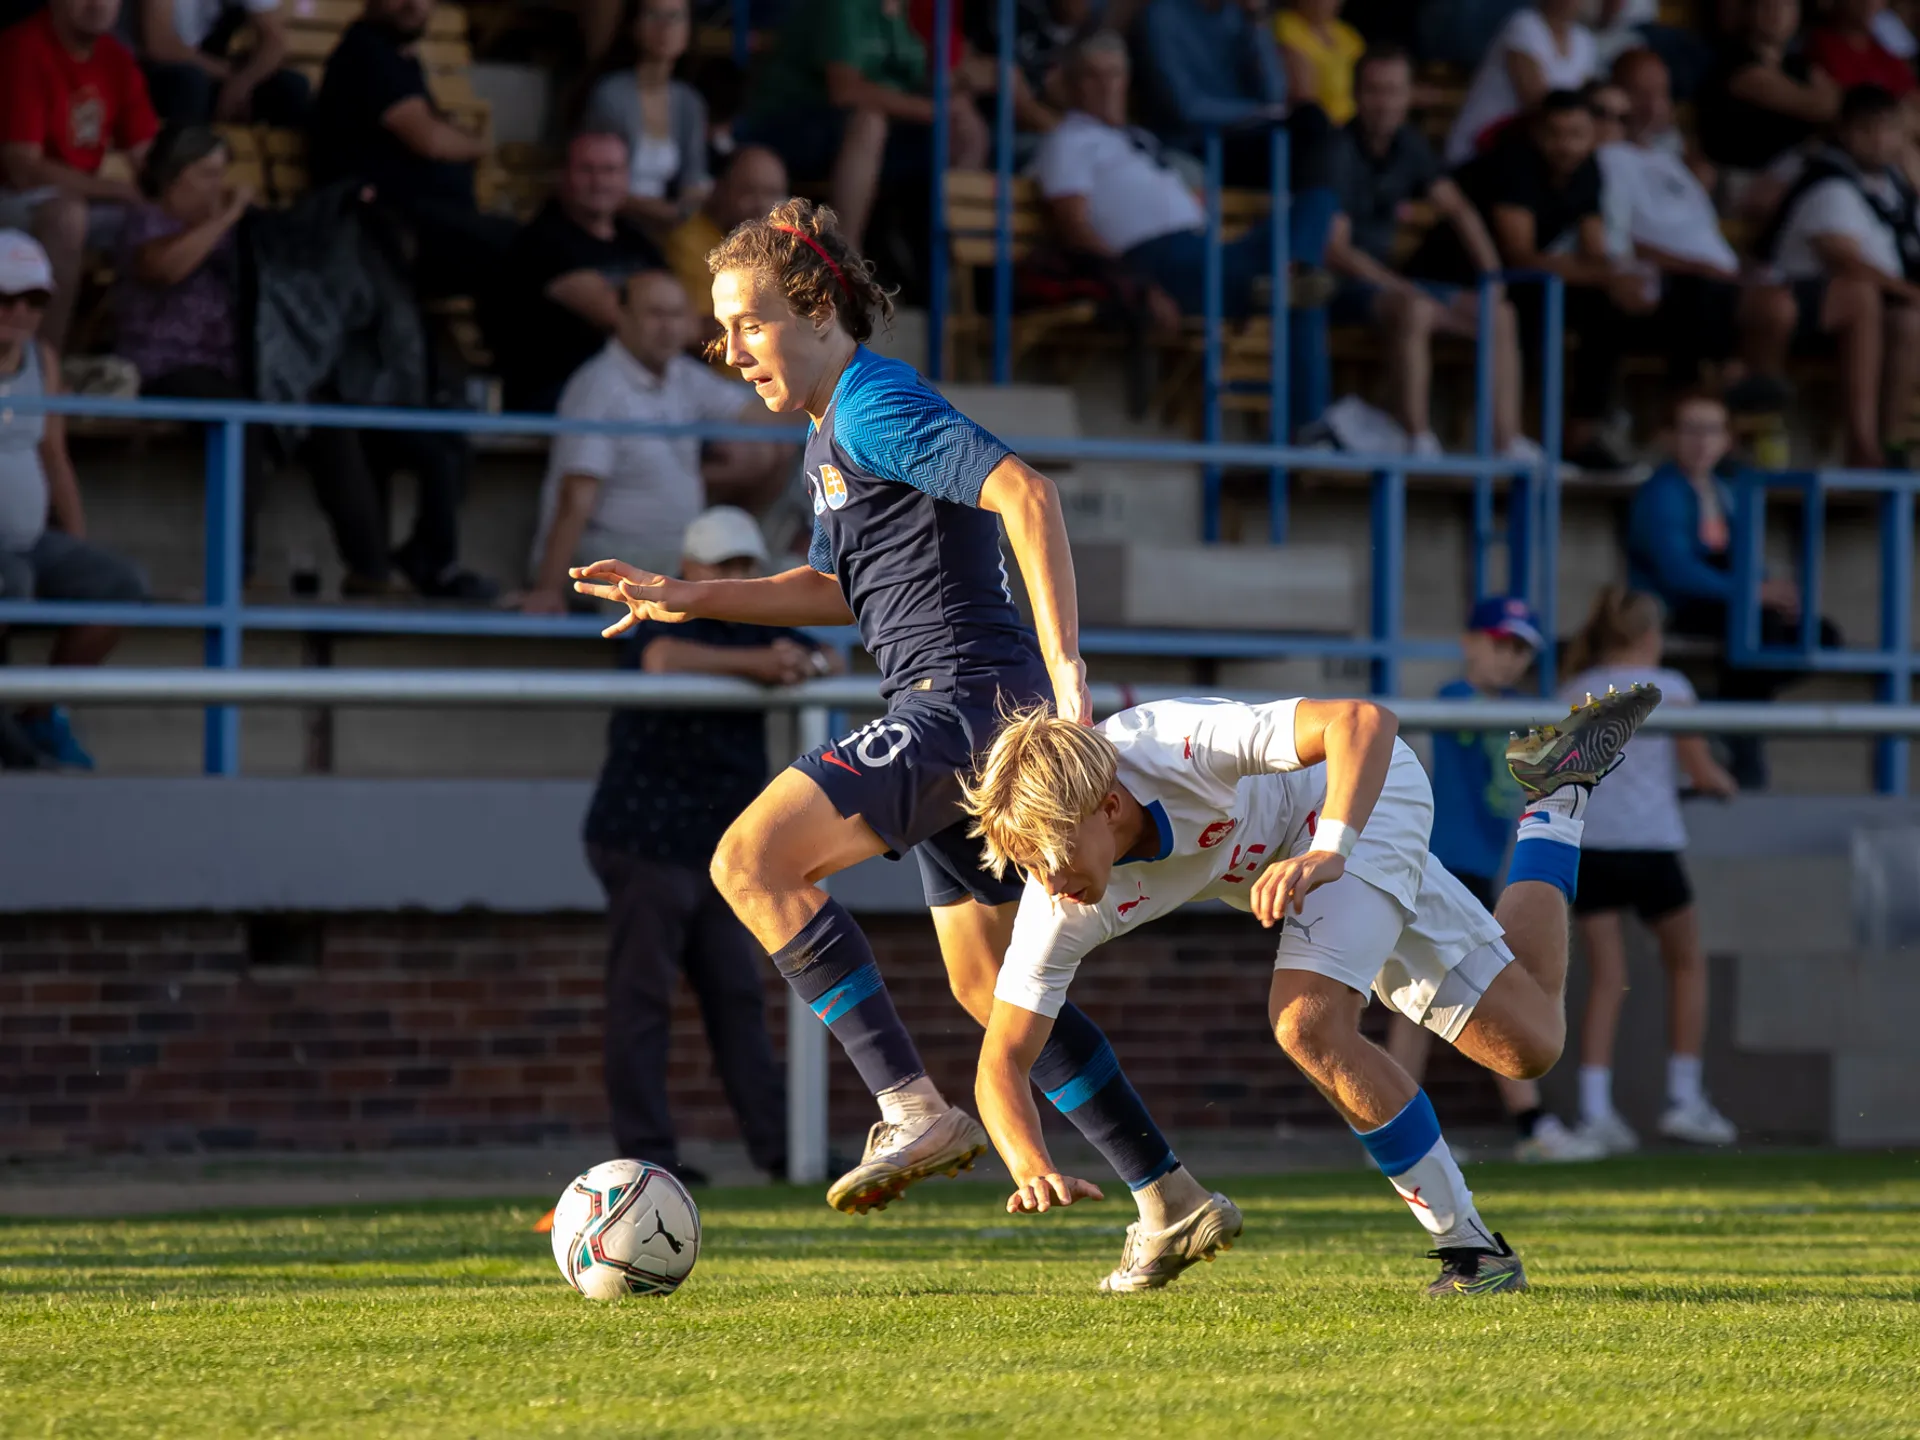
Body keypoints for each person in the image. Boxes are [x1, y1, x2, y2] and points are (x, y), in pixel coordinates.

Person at [575, 198, 1191, 1242]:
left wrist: (1068, 674)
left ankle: (912, 1109)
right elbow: (835, 588)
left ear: (818, 311)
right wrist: (687, 594)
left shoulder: (873, 407)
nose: (731, 351)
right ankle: (1171, 1197)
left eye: (750, 323)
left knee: (749, 863)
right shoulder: (834, 430)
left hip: (962, 705)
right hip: (955, 707)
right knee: (989, 983)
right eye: (723, 330)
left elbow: (1028, 496)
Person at [960, 686, 1662, 1294]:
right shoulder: (1058, 903)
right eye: (1026, 865)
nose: (1047, 883)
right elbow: (1002, 1060)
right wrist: (1030, 1164)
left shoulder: (1174, 744)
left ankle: (1474, 1254)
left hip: (1358, 803)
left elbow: (1362, 721)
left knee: (1305, 1023)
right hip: (1309, 859)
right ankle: (1556, 798)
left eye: (1052, 856)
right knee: (1530, 1044)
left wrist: (1330, 847)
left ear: (1111, 806)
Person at [583, 507, 844, 1187]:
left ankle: (783, 1151)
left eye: (744, 564)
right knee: (643, 1000)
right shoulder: (664, 612)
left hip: (721, 849)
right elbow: (660, 659)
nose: (736, 574)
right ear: (688, 568)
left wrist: (803, 660)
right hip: (645, 838)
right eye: (723, 564)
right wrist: (764, 665)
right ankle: (645, 1158)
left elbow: (830, 653)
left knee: (736, 996)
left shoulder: (752, 620)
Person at [1386, 596, 1603, 1164]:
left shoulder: (1514, 712)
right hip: (1444, 865)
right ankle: (1532, 1126)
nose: (1510, 659)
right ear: (1470, 642)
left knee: (1425, 1001)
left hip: (1476, 869)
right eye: (1500, 644)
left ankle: (1403, 1129)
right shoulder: (1456, 700)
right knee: (1479, 993)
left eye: (1521, 651)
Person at [1032, 32, 1335, 422]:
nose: (1107, 85)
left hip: (1204, 251)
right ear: (1074, 84)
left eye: (1115, 74)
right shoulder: (1069, 140)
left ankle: (1290, 272)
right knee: (1305, 292)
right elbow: (1073, 228)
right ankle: (1309, 426)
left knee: (1317, 204)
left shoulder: (1138, 140)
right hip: (1159, 263)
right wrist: (1139, 285)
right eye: (1094, 75)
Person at [1558, 588, 1740, 1153]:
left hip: (1592, 847)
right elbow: (1701, 770)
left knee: (1607, 978)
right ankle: (1684, 1099)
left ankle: (1595, 1110)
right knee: (1686, 964)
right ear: (1649, 636)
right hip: (1652, 846)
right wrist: (1724, 785)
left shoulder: (1574, 690)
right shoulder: (1671, 687)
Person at [524, 269, 792, 612]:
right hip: (607, 555)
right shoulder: (599, 387)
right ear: (622, 317)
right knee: (740, 583)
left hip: (673, 553)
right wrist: (547, 589)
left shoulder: (683, 374)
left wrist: (830, 401)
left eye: (676, 314)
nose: (667, 327)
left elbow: (764, 414)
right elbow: (575, 498)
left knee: (776, 575)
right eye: (655, 314)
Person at [1412, 90, 1639, 471]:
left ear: (1591, 136)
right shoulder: (1514, 164)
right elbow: (1520, 255)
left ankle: (1581, 436)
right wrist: (1605, 274)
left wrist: (1618, 278)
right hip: (1457, 278)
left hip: (1522, 284)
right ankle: (1510, 442)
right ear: (1537, 133)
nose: (1565, 144)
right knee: (1532, 314)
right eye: (1556, 133)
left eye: (1577, 134)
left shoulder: (1588, 171)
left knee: (1606, 310)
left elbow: (1594, 251)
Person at [1626, 391, 1840, 788]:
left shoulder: (1725, 490)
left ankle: (1726, 711)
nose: (1701, 441)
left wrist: (1774, 592)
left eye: (1712, 430)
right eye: (1691, 430)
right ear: (1670, 437)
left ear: (1727, 439)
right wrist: (1751, 595)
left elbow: (1747, 557)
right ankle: (1742, 739)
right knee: (1759, 624)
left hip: (1729, 604)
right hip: (1679, 606)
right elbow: (1678, 572)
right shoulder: (1661, 493)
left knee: (1821, 634)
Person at [1324, 45, 1529, 458]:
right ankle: (1416, 437)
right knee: (1415, 307)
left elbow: (1458, 209)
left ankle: (1507, 442)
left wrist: (1492, 275)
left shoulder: (1410, 145)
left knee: (1499, 314)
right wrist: (1398, 285)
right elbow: (1335, 250)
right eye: (1375, 90)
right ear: (1356, 94)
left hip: (1389, 283)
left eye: (1394, 91)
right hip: (1340, 287)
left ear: (1409, 96)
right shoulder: (1335, 150)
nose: (1385, 102)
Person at [0, 230, 149, 769]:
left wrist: (77, 540)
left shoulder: (42, 360)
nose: (20, 311)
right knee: (10, 584)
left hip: (31, 538)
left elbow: (54, 456)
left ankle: (40, 713)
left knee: (118, 586)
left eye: (34, 299)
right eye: (5, 297)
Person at [113, 123, 270, 573]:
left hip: (226, 365)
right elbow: (165, 269)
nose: (216, 185)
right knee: (240, 420)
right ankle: (236, 570)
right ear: (173, 175)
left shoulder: (229, 228)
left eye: (221, 174)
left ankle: (369, 564)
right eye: (205, 174)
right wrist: (226, 217)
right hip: (165, 364)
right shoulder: (146, 220)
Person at [1749, 83, 1920, 469]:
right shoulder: (1827, 181)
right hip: (1800, 306)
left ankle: (1891, 443)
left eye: (1890, 129)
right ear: (1844, 131)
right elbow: (1846, 262)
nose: (1880, 140)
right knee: (1864, 296)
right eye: (1867, 129)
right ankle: (1861, 445)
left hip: (1876, 308)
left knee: (1910, 321)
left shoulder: (1896, 186)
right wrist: (1911, 292)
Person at [307, 0, 515, 303]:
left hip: (426, 226)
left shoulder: (398, 56)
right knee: (529, 250)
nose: (414, 4)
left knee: (534, 251)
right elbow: (430, 140)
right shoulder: (368, 51)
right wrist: (477, 145)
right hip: (380, 232)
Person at [735, 0, 988, 250]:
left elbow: (913, 79)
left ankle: (954, 258)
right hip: (792, 123)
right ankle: (844, 253)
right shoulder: (843, 7)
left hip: (875, 129)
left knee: (966, 128)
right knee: (870, 123)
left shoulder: (902, 10)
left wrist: (958, 94)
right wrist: (932, 110)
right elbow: (845, 91)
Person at [0, 0, 161, 352]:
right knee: (67, 217)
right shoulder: (23, 47)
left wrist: (186, 195)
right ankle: (44, 365)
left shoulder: (115, 58)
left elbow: (149, 157)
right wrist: (113, 190)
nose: (98, 4)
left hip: (78, 197)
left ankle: (150, 357)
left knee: (163, 218)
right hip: (11, 197)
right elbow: (23, 168)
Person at [1599, 49, 1746, 391]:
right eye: (1641, 93)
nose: (1653, 106)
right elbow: (1619, 241)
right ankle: (1703, 400)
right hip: (1671, 288)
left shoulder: (1671, 161)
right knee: (1710, 297)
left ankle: (1752, 403)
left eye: (1661, 94)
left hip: (1718, 281)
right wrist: (1699, 268)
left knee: (1777, 300)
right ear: (1618, 94)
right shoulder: (1608, 159)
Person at [498, 131, 665, 415]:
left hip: (640, 388)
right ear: (563, 176)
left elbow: (677, 309)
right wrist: (676, 321)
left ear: (626, 178)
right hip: (561, 396)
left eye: (610, 170)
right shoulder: (541, 240)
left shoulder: (637, 240)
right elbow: (618, 318)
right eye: (586, 170)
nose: (599, 182)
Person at [1132, 0, 1326, 189]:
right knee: (1307, 152)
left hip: (1246, 138)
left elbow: (1274, 94)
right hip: (1197, 143)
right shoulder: (1163, 14)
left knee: (1310, 120)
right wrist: (1255, 112)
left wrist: (1256, 19)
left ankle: (1316, 205)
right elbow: (1185, 107)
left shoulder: (1237, 14)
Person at [581, 0, 712, 234]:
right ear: (634, 27)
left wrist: (682, 210)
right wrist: (661, 212)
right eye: (653, 15)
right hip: (610, 223)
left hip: (671, 228)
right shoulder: (611, 95)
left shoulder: (690, 101)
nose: (665, 27)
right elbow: (596, 180)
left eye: (675, 17)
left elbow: (695, 179)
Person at [660, 144, 791, 339]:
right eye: (748, 192)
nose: (761, 205)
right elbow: (700, 329)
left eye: (772, 194)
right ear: (720, 190)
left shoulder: (788, 244)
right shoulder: (688, 242)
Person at [1445, 0, 1596, 164]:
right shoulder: (1524, 25)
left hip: (1547, 153)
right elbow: (1539, 105)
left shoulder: (1584, 40)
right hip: (1485, 149)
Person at [1697, 0, 1836, 177]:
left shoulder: (1800, 65)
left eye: (1787, 4)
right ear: (1750, 11)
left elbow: (1839, 103)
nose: (1776, 11)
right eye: (1767, 4)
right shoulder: (1735, 62)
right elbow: (1813, 105)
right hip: (1741, 176)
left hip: (1793, 172)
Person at [136, 0, 311, 126]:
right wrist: (231, 78)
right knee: (190, 83)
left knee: (292, 86)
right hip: (154, 69)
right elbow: (160, 46)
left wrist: (242, 83)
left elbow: (275, 41)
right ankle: (186, 162)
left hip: (218, 69)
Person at [1277, 0, 1365, 127]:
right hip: (1321, 126)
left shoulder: (1348, 34)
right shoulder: (1286, 25)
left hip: (1357, 123)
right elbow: (1303, 96)